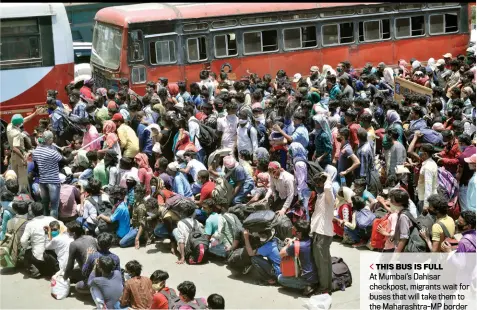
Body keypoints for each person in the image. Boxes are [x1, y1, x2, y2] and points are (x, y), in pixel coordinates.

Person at [32, 131, 73, 218]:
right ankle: (54, 224)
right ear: (50, 140)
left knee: (45, 204)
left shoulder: (36, 151)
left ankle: (45, 221)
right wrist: (72, 154)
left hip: (42, 181)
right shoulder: (53, 153)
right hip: (53, 182)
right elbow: (66, 161)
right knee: (54, 206)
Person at [20, 202, 66, 278]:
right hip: (54, 254)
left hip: (39, 257)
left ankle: (34, 269)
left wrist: (26, 246)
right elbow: (64, 229)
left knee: (27, 251)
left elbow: (23, 241)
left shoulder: (30, 224)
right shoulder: (51, 219)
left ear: (32, 212)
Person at [278, 220, 318, 296]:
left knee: (280, 278)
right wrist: (294, 240)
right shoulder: (311, 239)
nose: (292, 229)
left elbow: (281, 254)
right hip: (315, 275)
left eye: (294, 229)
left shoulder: (297, 246)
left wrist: (289, 244)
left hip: (307, 280)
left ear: (299, 233)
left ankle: (306, 286)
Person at [310, 172, 334, 295]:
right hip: (317, 231)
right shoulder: (320, 196)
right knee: (322, 261)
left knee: (323, 262)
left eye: (319, 183)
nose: (317, 186)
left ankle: (325, 288)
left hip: (324, 233)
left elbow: (328, 188)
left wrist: (328, 178)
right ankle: (324, 284)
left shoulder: (328, 195)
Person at [63, 221, 98, 293]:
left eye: (68, 231)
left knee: (77, 287)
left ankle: (91, 289)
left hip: (89, 273)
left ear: (74, 233)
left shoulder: (74, 244)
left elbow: (70, 266)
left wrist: (64, 278)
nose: (67, 232)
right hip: (97, 269)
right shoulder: (91, 238)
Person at [119, 184, 148, 248]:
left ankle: (141, 238)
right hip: (133, 226)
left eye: (137, 192)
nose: (134, 194)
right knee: (120, 235)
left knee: (122, 243)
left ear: (141, 194)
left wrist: (137, 238)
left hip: (138, 229)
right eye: (134, 192)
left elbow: (142, 224)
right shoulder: (136, 202)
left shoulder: (141, 207)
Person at [417, 144, 438, 214]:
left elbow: (428, 187)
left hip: (425, 199)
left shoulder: (428, 167)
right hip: (428, 197)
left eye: (420, 151)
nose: (419, 153)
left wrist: (426, 205)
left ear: (425, 153)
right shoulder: (431, 163)